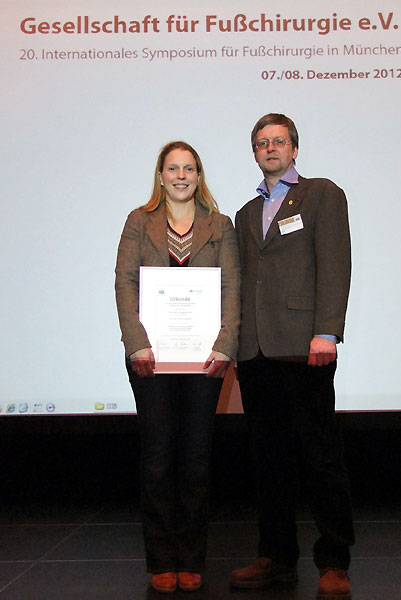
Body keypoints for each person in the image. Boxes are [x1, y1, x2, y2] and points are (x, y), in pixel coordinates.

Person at [230, 114, 354, 599]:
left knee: (320, 457)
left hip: (305, 346)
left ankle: (334, 560)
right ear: (254, 153)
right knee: (269, 461)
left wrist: (326, 331)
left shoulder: (322, 194)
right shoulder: (244, 213)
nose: (270, 148)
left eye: (279, 141)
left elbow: (335, 264)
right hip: (255, 351)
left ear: (294, 149)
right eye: (262, 143)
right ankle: (277, 556)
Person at [115, 141, 240, 593]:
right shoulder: (139, 221)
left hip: (205, 359)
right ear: (161, 176)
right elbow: (125, 282)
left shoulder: (220, 225)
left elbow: (232, 286)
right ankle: (162, 560)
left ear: (198, 176)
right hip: (150, 358)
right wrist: (137, 344)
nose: (181, 176)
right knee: (158, 457)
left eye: (189, 169)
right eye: (173, 169)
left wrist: (225, 345)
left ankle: (191, 559)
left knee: (196, 459)